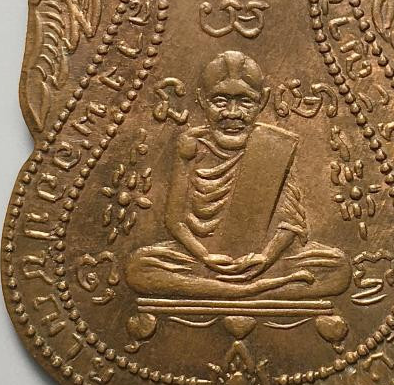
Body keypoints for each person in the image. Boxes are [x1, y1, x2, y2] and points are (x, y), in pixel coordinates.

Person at [125, 51, 350, 300]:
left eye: (245, 101)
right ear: (202, 100)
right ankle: (251, 290)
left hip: (262, 260)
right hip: (198, 257)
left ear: (262, 101)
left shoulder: (273, 144)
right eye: (220, 101)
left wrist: (265, 258)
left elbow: (290, 223)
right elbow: (175, 221)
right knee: (140, 267)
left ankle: (231, 289)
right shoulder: (191, 145)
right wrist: (205, 256)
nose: (232, 113)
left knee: (337, 269)